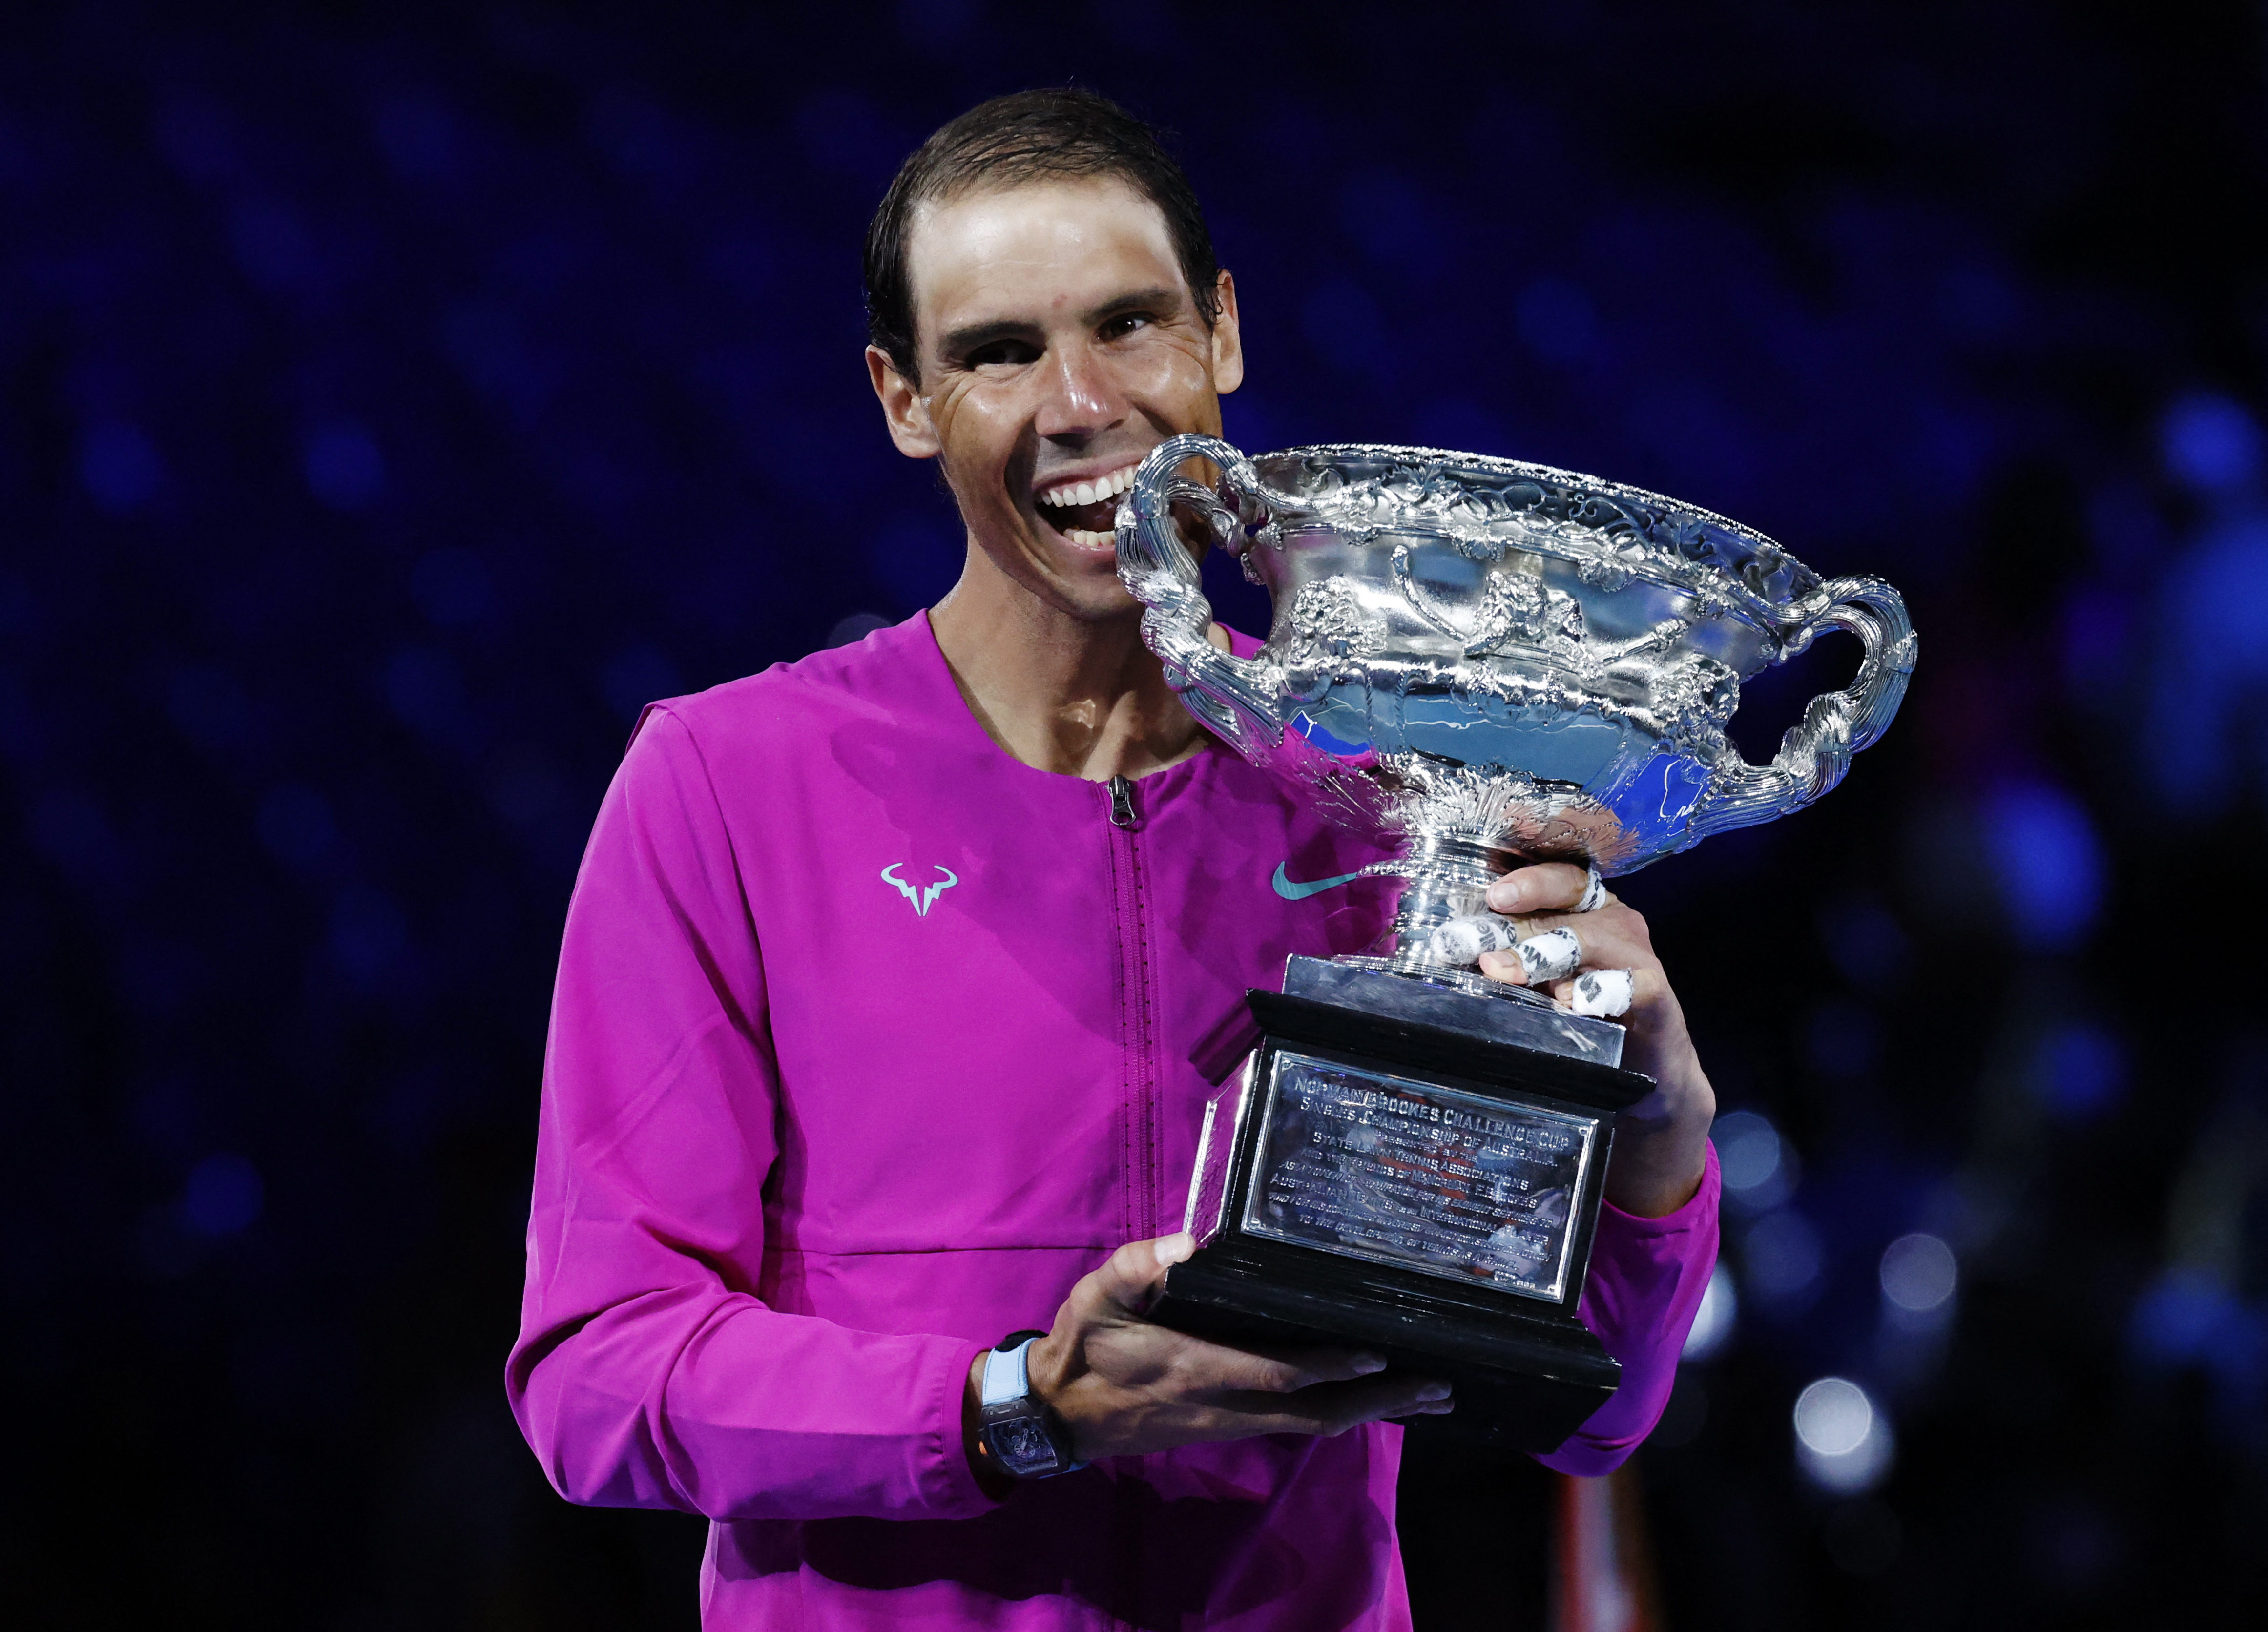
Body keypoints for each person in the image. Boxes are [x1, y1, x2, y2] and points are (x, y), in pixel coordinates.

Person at [508, 88, 1720, 1629]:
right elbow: (598, 1377)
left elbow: (1588, 1415)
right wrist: (1019, 1409)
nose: (1079, 402)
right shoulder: (727, 788)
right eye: (998, 352)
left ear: (1221, 335)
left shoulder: (1390, 806)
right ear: (901, 398)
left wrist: (1662, 1144)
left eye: (1129, 325)